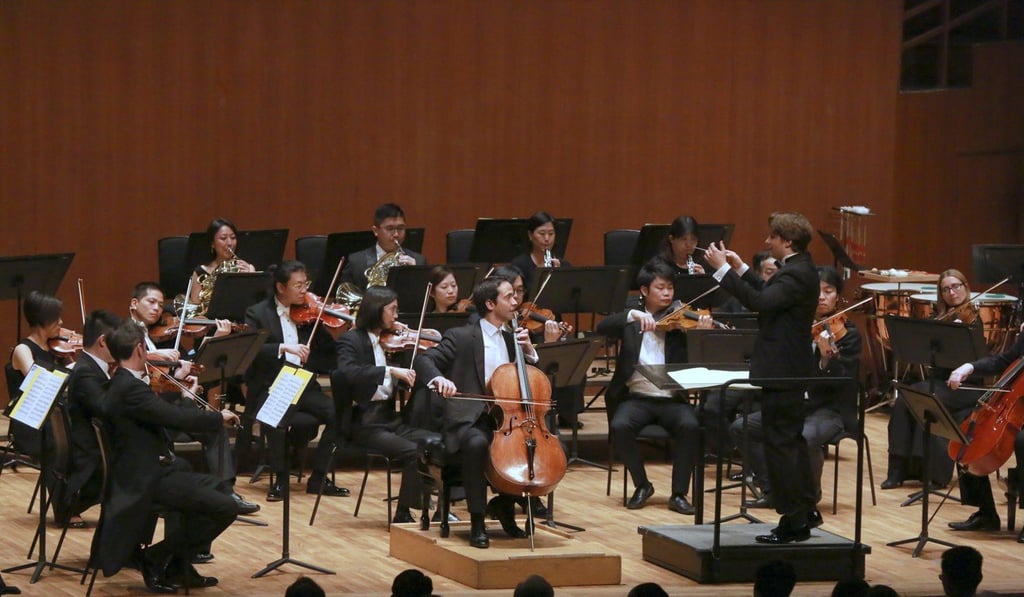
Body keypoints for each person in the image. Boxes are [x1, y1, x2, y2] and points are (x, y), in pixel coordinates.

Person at [92, 320, 238, 592]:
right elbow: (173, 418)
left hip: (150, 470)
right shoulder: (130, 389)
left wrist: (185, 396)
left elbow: (160, 412)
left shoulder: (125, 383)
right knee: (225, 507)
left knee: (218, 488)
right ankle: (156, 557)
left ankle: (177, 565)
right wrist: (218, 418)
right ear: (139, 349)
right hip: (144, 480)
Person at [705, 211, 820, 544]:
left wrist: (722, 270)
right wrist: (741, 268)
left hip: (783, 371)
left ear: (787, 241)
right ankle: (805, 508)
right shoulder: (798, 270)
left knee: (781, 445)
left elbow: (760, 302)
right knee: (790, 442)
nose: (767, 242)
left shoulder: (797, 274)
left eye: (772, 237)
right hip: (787, 370)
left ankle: (793, 521)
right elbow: (771, 294)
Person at [414, 276, 542, 548]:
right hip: (468, 418)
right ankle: (476, 522)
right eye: (508, 296)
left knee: (523, 446)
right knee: (477, 444)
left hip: (505, 418)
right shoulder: (461, 336)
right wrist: (439, 379)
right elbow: (425, 359)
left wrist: (529, 350)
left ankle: (505, 506)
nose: (515, 301)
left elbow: (528, 378)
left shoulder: (512, 339)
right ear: (489, 303)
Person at [734, 265, 861, 516]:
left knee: (807, 435)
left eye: (829, 291)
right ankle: (772, 490)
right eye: (817, 291)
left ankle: (807, 500)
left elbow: (846, 382)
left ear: (838, 296)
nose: (822, 297)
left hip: (828, 411)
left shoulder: (849, 334)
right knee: (743, 428)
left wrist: (826, 361)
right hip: (794, 403)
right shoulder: (796, 326)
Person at [128, 281, 257, 521]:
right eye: (151, 302)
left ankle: (226, 491)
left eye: (160, 303)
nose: (157, 309)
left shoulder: (160, 336)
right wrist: (154, 355)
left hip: (171, 405)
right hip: (149, 414)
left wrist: (216, 338)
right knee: (210, 422)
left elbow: (194, 364)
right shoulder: (124, 333)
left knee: (214, 425)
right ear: (134, 304)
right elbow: (126, 360)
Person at [597, 260, 711, 515]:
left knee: (690, 425)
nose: (668, 293)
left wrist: (700, 334)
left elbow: (700, 358)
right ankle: (642, 485)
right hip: (636, 398)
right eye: (660, 287)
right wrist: (631, 315)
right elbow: (601, 327)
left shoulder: (681, 320)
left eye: (670, 287)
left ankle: (679, 494)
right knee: (619, 426)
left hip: (671, 398)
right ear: (645, 291)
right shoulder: (631, 316)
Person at [334, 286, 441, 524]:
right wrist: (390, 370)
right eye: (392, 309)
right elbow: (348, 372)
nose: (396, 316)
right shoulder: (351, 340)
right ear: (376, 310)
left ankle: (440, 510)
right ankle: (404, 512)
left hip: (390, 419)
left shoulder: (389, 341)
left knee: (437, 442)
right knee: (412, 452)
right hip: (365, 423)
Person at [244, 260, 348, 501]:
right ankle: (281, 480)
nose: (305, 291)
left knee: (339, 415)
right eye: (298, 285)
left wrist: (336, 332)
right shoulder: (258, 313)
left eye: (306, 284)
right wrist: (282, 347)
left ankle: (319, 477)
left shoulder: (310, 314)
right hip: (273, 385)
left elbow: (327, 354)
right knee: (276, 422)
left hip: (303, 384)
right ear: (281, 287)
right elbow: (252, 348)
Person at [882, 269, 984, 490]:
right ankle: (897, 468)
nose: (952, 292)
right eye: (946, 289)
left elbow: (977, 361)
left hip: (967, 388)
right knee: (904, 398)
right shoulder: (938, 319)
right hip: (940, 383)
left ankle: (930, 472)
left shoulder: (973, 322)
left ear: (966, 288)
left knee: (927, 396)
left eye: (956, 286)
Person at [945, 322, 1024, 535]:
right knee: (968, 429)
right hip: (1016, 408)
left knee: (1023, 441)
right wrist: (969, 367)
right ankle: (986, 513)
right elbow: (1004, 361)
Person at [61, 310, 122, 529]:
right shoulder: (87, 372)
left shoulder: (92, 367)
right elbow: (106, 409)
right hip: (92, 454)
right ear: (103, 342)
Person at [6, 291, 67, 469]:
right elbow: (40, 382)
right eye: (57, 318)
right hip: (33, 424)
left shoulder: (55, 347)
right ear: (43, 320)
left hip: (54, 418)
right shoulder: (23, 350)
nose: (62, 323)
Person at [340, 202, 427, 291]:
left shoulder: (419, 261)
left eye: (401, 228)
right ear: (375, 231)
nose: (396, 234)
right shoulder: (357, 262)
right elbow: (343, 299)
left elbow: (426, 300)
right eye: (390, 229)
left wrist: (416, 274)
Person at [187, 217, 256, 307]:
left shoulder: (248, 268)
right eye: (223, 238)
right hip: (209, 320)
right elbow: (195, 309)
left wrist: (249, 278)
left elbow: (253, 304)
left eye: (233, 238)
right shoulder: (200, 272)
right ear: (212, 243)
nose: (230, 243)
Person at [510, 211, 570, 289]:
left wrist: (557, 277)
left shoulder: (564, 265)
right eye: (542, 233)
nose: (547, 239)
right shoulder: (519, 265)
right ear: (530, 235)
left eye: (551, 234)